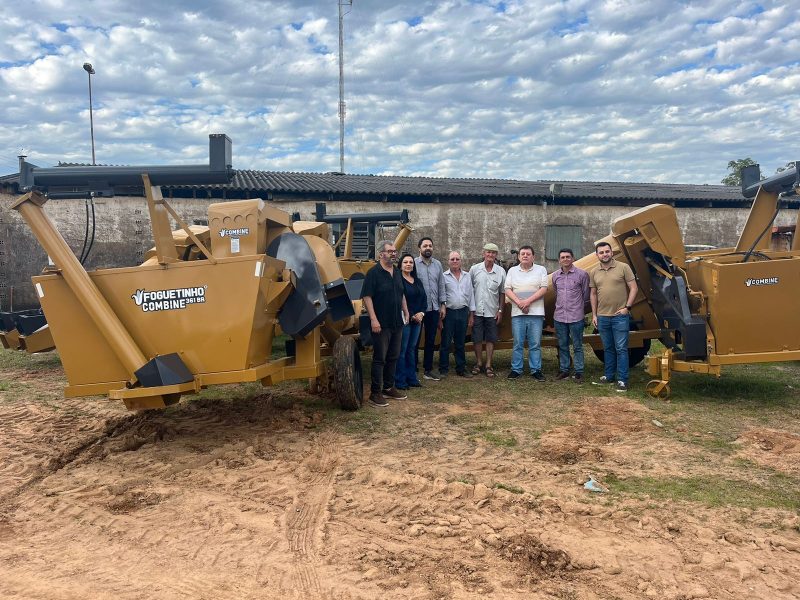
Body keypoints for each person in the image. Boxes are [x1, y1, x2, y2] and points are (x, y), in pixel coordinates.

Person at [362, 240, 410, 407]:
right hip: (381, 323)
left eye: (395, 251)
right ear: (381, 254)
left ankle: (388, 388)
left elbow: (401, 293)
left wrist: (406, 310)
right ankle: (375, 393)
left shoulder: (397, 272)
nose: (393, 253)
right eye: (390, 251)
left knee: (393, 356)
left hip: (397, 322)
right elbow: (367, 297)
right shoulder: (373, 273)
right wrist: (373, 319)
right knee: (379, 358)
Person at [590, 242, 638, 393]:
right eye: (601, 252)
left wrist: (627, 308)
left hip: (620, 316)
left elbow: (634, 288)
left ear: (612, 252)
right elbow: (593, 294)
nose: (605, 254)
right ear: (597, 255)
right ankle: (609, 376)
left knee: (621, 349)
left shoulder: (623, 267)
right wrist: (594, 314)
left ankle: (622, 380)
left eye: (607, 251)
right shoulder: (594, 271)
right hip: (603, 317)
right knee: (608, 348)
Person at [504, 246, 548, 380]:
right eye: (522, 254)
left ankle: (536, 370)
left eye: (528, 254)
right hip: (518, 313)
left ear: (533, 257)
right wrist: (519, 303)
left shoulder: (541, 269)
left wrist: (527, 302)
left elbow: (543, 289)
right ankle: (516, 369)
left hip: (536, 313)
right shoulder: (512, 271)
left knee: (535, 343)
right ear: (518, 257)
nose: (525, 256)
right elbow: (507, 289)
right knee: (518, 342)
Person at [552, 248, 590, 383]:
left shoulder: (582, 275)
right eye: (563, 257)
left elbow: (586, 295)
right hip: (560, 316)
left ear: (573, 258)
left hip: (576, 317)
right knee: (562, 345)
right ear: (559, 260)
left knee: (578, 345)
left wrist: (578, 308)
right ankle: (564, 370)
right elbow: (557, 293)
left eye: (568, 257)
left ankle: (579, 372)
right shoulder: (555, 276)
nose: (565, 259)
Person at [468, 243, 506, 378]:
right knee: (477, 338)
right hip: (477, 310)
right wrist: (471, 313)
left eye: (493, 253)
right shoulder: (474, 269)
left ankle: (488, 364)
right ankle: (478, 363)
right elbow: (470, 291)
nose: (490, 255)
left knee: (491, 338)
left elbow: (502, 293)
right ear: (483, 253)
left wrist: (500, 311)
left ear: (496, 255)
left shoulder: (501, 271)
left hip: (492, 311)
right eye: (488, 252)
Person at [415, 237, 447, 381]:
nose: (428, 248)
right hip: (418, 309)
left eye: (430, 246)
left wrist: (443, 304)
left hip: (434, 308)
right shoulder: (413, 264)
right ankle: (412, 367)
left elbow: (441, 285)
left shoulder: (438, 265)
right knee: (414, 340)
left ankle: (428, 369)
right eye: (425, 246)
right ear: (419, 248)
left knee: (430, 340)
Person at [439, 251, 475, 378]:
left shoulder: (467, 276)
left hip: (463, 312)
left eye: (457, 259)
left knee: (460, 342)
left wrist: (471, 315)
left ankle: (461, 368)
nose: (455, 261)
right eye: (452, 259)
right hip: (449, 313)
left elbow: (471, 296)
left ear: (461, 261)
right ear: (448, 261)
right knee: (446, 342)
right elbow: (441, 296)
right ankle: (443, 369)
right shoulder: (443, 276)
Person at [395, 254, 427, 390]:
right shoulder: (398, 281)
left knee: (412, 349)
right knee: (402, 350)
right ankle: (401, 381)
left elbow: (424, 299)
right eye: (405, 262)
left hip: (418, 320)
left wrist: (421, 313)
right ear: (401, 265)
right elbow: (401, 300)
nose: (408, 264)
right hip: (405, 320)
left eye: (411, 262)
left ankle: (412, 378)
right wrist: (412, 314)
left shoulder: (417, 281)